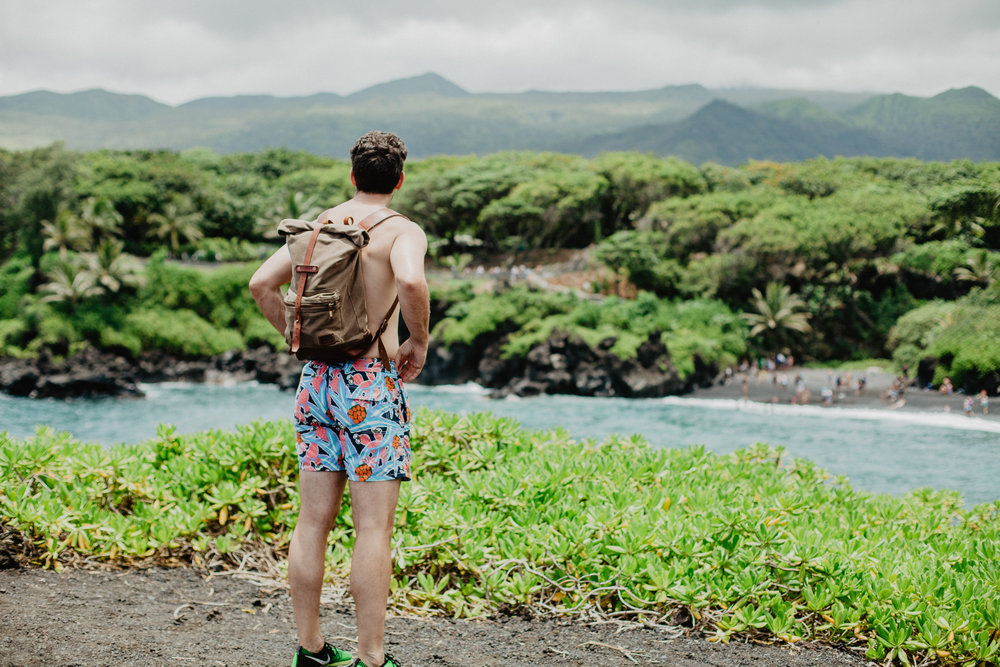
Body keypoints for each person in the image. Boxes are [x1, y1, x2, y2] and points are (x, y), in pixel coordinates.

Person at [250, 131, 429, 667]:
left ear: (352, 176)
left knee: (312, 521)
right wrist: (417, 340)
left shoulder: (321, 225)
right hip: (369, 386)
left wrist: (295, 338)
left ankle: (311, 651)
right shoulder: (403, 230)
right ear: (398, 180)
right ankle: (372, 659)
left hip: (316, 385)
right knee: (372, 528)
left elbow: (261, 284)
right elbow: (412, 283)